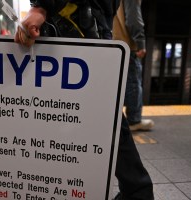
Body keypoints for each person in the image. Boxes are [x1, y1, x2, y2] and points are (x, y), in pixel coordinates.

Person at [14, 1, 154, 199]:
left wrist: (41, 7)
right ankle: (136, 191)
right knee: (100, 111)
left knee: (87, 111)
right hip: (91, 22)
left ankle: (135, 191)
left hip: (75, 21)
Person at [112, 0, 154, 132]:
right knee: (133, 82)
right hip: (125, 43)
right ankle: (134, 120)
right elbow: (133, 17)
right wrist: (140, 41)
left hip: (111, 41)